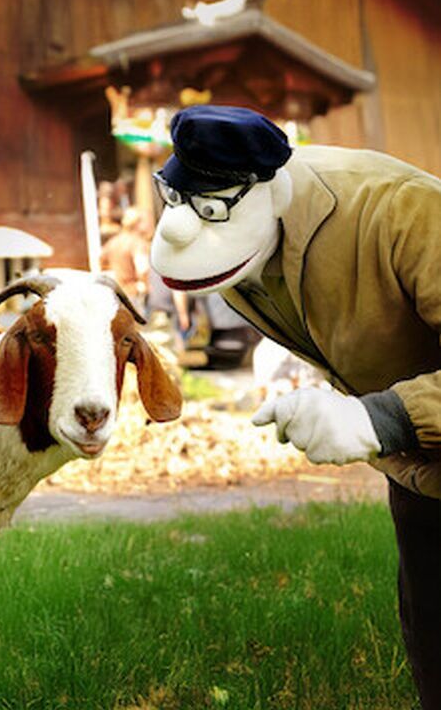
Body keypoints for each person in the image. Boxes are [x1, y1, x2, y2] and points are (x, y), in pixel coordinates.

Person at [150, 104, 441, 709]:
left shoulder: (400, 211)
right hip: (424, 468)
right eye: (176, 198)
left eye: (211, 207)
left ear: (270, 192)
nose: (182, 226)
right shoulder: (233, 241)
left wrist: (379, 417)